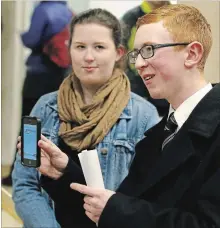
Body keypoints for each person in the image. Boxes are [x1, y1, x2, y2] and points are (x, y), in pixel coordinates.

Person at [31, 4, 220, 228]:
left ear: (192, 54)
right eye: (137, 53)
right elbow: (118, 206)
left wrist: (116, 209)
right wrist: (64, 175)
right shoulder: (159, 134)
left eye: (149, 49)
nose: (139, 64)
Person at [13, 8, 159, 228]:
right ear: (69, 49)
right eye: (80, 47)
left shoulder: (143, 116)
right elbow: (25, 185)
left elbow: (147, 197)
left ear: (119, 52)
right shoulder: (44, 107)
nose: (88, 57)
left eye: (99, 47)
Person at [2, 0, 73, 186]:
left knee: (30, 123)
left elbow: (32, 39)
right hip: (59, 76)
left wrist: (22, 35)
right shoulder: (67, 11)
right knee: (53, 123)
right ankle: (45, 173)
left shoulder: (43, 10)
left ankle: (23, 172)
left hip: (38, 75)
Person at [121, 0, 170, 116]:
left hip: (169, 80)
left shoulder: (178, 15)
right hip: (138, 82)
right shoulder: (131, 17)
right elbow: (121, 50)